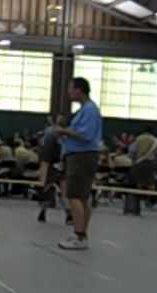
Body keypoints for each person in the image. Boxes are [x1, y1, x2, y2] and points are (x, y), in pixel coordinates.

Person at [54, 78, 102, 250]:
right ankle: (81, 233)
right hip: (80, 155)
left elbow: (86, 135)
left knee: (74, 196)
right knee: (82, 197)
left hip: (82, 156)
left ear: (79, 90)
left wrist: (62, 131)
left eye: (70, 88)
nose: (68, 92)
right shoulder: (84, 110)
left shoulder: (89, 110)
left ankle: (79, 236)